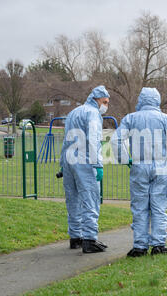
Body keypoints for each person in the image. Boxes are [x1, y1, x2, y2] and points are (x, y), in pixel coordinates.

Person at [111, 87, 167, 257]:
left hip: (139, 166)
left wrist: (125, 159)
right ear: (157, 100)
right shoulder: (166, 120)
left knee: (140, 207)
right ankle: (158, 244)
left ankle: (140, 246)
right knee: (158, 206)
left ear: (141, 99)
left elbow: (115, 140)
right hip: (161, 167)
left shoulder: (131, 119)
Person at [60, 85, 110, 253]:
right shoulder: (93, 114)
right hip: (85, 161)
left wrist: (62, 164)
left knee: (72, 200)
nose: (106, 105)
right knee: (90, 199)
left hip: (69, 161)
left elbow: (66, 140)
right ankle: (89, 239)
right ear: (97, 99)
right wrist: (98, 164)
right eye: (105, 101)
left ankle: (75, 237)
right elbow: (94, 139)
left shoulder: (74, 112)